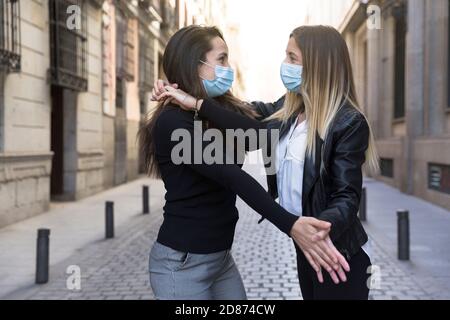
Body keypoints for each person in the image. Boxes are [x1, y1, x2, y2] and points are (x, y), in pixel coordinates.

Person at [154, 25, 378, 300]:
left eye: (292, 58)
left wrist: (314, 232)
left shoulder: (346, 121)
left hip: (332, 253)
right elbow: (244, 131)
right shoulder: (289, 109)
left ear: (318, 65)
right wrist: (183, 93)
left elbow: (347, 197)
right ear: (193, 64)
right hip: (294, 251)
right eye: (221, 59)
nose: (284, 65)